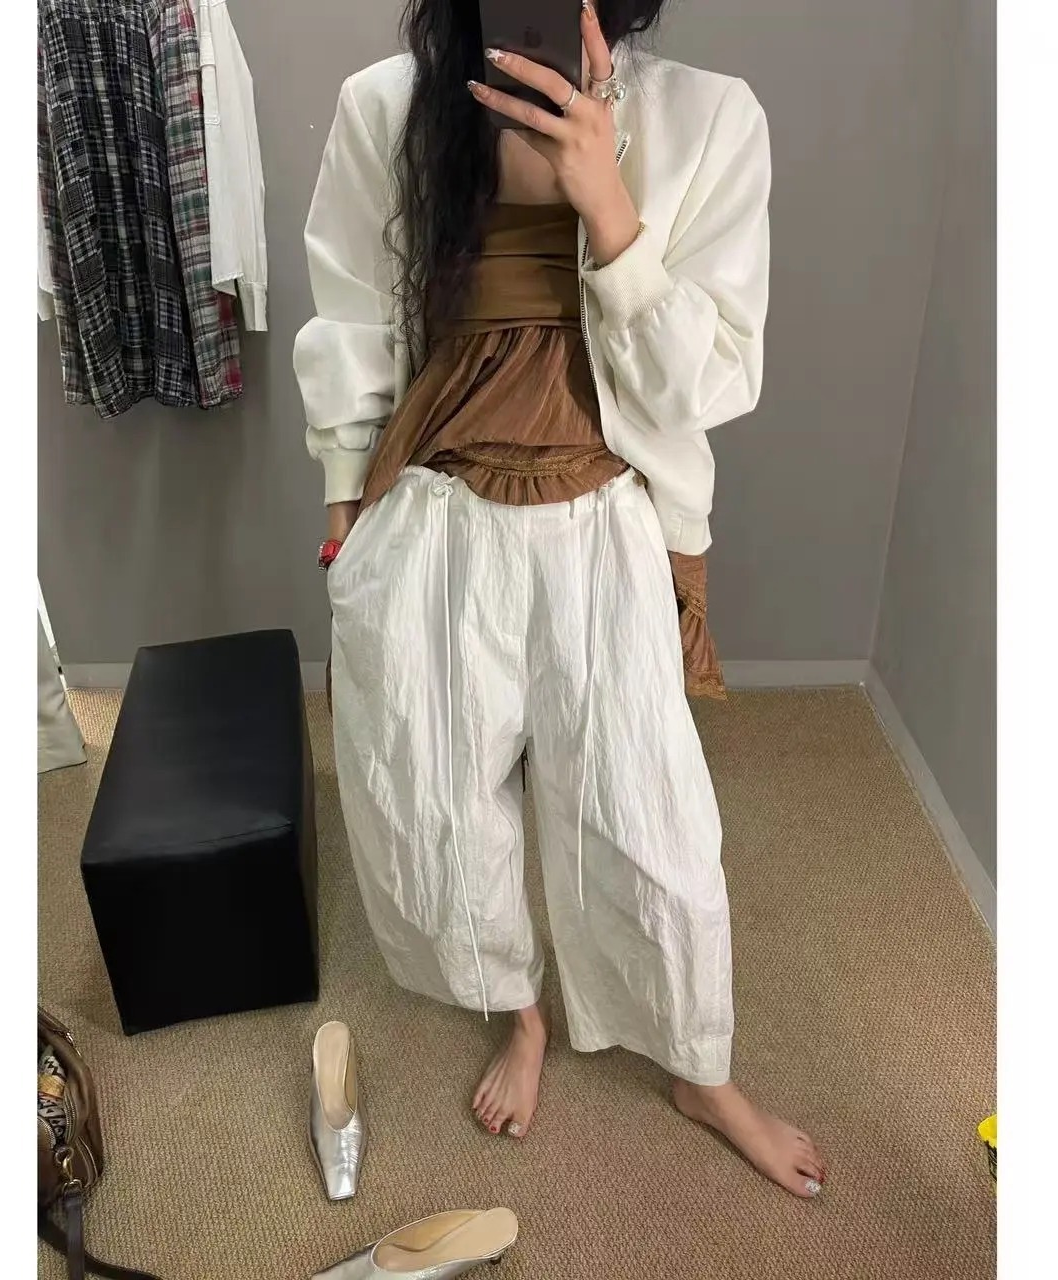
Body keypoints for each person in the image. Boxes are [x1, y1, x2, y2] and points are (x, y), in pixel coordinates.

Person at [295, 0, 827, 1198]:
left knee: (649, 828)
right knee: (436, 805)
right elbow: (353, 320)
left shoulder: (707, 119)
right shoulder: (387, 109)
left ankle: (698, 1067)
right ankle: (519, 1012)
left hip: (603, 520)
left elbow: (707, 377)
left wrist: (608, 206)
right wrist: (343, 519)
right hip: (433, 515)